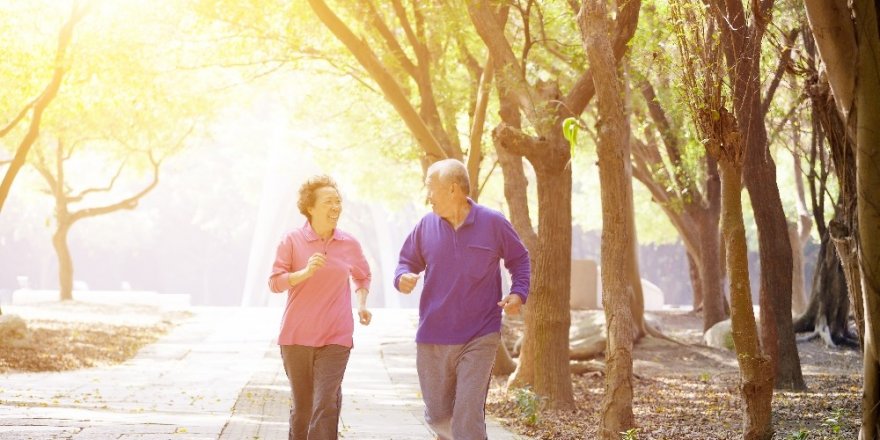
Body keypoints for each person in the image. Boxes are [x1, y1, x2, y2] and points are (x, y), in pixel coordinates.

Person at [394, 158, 530, 440]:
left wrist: (518, 292)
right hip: (433, 336)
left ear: (453, 189)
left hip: (480, 334)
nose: (428, 196)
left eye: (431, 187)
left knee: (467, 415)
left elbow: (519, 259)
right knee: (438, 416)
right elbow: (406, 261)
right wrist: (403, 277)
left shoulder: (493, 223)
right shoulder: (426, 226)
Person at [268, 174, 372, 440]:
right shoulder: (291, 240)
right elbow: (275, 282)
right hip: (296, 337)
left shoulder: (349, 243)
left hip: (336, 336)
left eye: (338, 201)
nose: (335, 207)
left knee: (325, 404)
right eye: (328, 202)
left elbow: (362, 275)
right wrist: (303, 273)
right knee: (303, 409)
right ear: (310, 207)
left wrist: (361, 304)